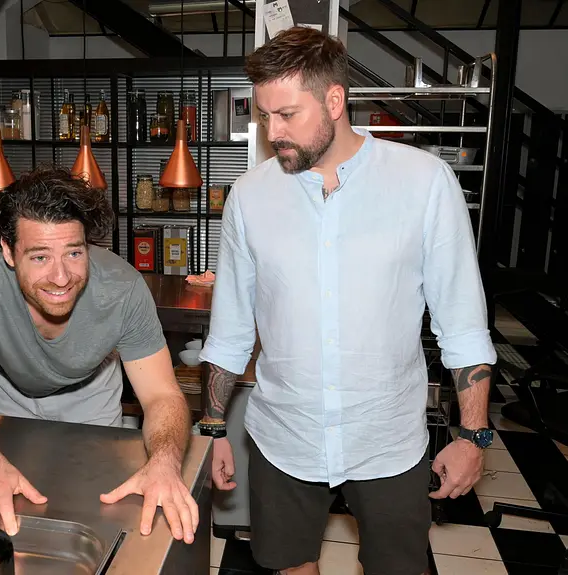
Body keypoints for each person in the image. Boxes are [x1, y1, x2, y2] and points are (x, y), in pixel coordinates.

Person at [197, 27, 497, 575]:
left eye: (287, 114)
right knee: (290, 565)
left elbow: (463, 325)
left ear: (334, 101)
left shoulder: (424, 182)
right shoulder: (250, 196)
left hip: (387, 438)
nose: (272, 131)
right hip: (283, 435)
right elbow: (231, 330)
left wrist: (472, 435)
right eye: (264, 116)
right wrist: (213, 429)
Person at [0, 166, 198, 544]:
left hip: (91, 394)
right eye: (39, 257)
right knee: (12, 527)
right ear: (8, 251)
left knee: (96, 517)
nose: (60, 277)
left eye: (73, 252)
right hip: (7, 395)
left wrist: (166, 462)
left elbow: (162, 395)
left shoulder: (123, 289)